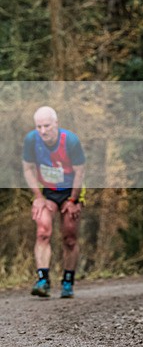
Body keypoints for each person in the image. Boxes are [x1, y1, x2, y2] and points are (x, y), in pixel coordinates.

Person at [22, 106, 86, 298]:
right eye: (39, 126)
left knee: (69, 237)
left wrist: (74, 200)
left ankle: (68, 281)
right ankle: (43, 280)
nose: (43, 131)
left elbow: (80, 172)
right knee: (42, 232)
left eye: (47, 126)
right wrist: (38, 197)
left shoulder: (71, 141)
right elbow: (28, 169)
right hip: (48, 191)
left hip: (70, 190)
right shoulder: (31, 140)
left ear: (56, 124)